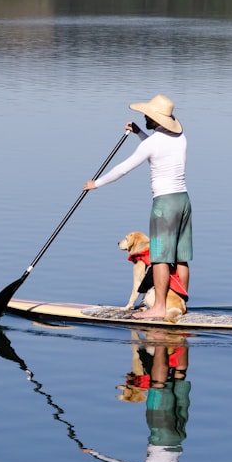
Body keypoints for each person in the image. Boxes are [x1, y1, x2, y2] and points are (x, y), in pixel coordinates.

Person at [84, 95, 192, 320]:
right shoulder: (180, 136)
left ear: (156, 119)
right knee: (181, 257)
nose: (144, 117)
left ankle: (160, 307)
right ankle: (180, 303)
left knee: (160, 258)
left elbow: (124, 168)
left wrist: (97, 183)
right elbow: (157, 146)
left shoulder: (153, 143)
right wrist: (139, 133)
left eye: (148, 115)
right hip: (183, 201)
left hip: (164, 205)